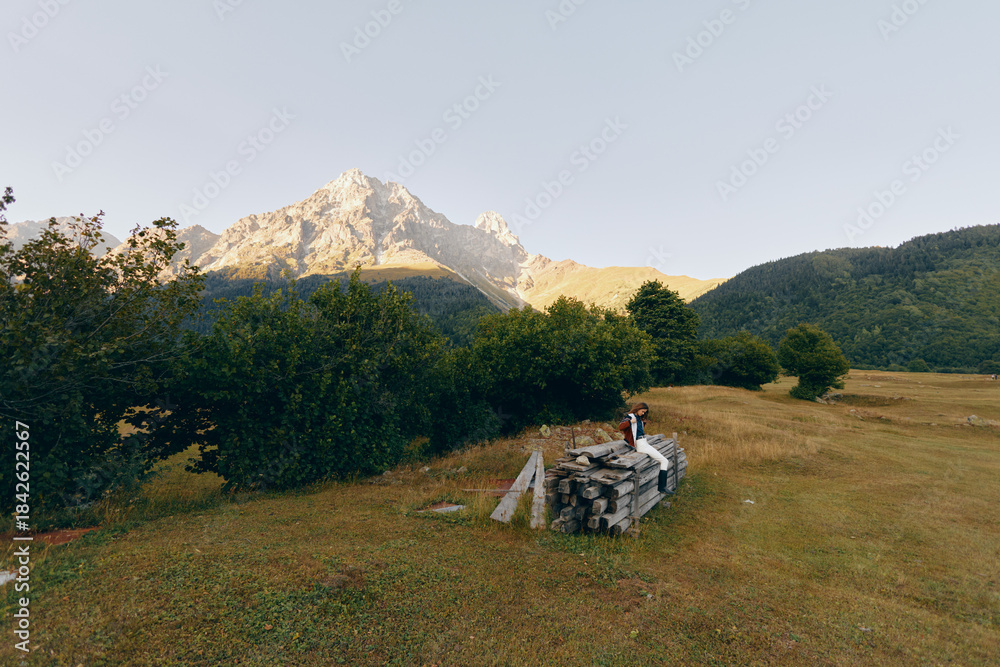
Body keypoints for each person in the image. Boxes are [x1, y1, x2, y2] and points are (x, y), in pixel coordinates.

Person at [618, 402, 673, 495]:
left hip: (644, 442)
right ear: (638, 409)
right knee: (664, 461)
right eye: (642, 411)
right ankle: (662, 487)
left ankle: (662, 487)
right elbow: (620, 427)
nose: (643, 413)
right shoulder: (630, 417)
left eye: (645, 412)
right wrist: (630, 422)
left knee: (664, 461)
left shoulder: (640, 418)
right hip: (640, 444)